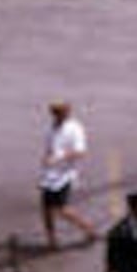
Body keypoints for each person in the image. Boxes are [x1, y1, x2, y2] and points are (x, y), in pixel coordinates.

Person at [38, 102, 96, 250]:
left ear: (66, 113)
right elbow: (50, 148)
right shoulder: (52, 128)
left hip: (65, 174)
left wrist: (59, 158)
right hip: (50, 175)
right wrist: (46, 160)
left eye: (59, 112)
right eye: (54, 112)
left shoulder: (74, 129)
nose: (56, 116)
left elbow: (80, 151)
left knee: (62, 209)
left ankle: (88, 227)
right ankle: (52, 241)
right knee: (46, 209)